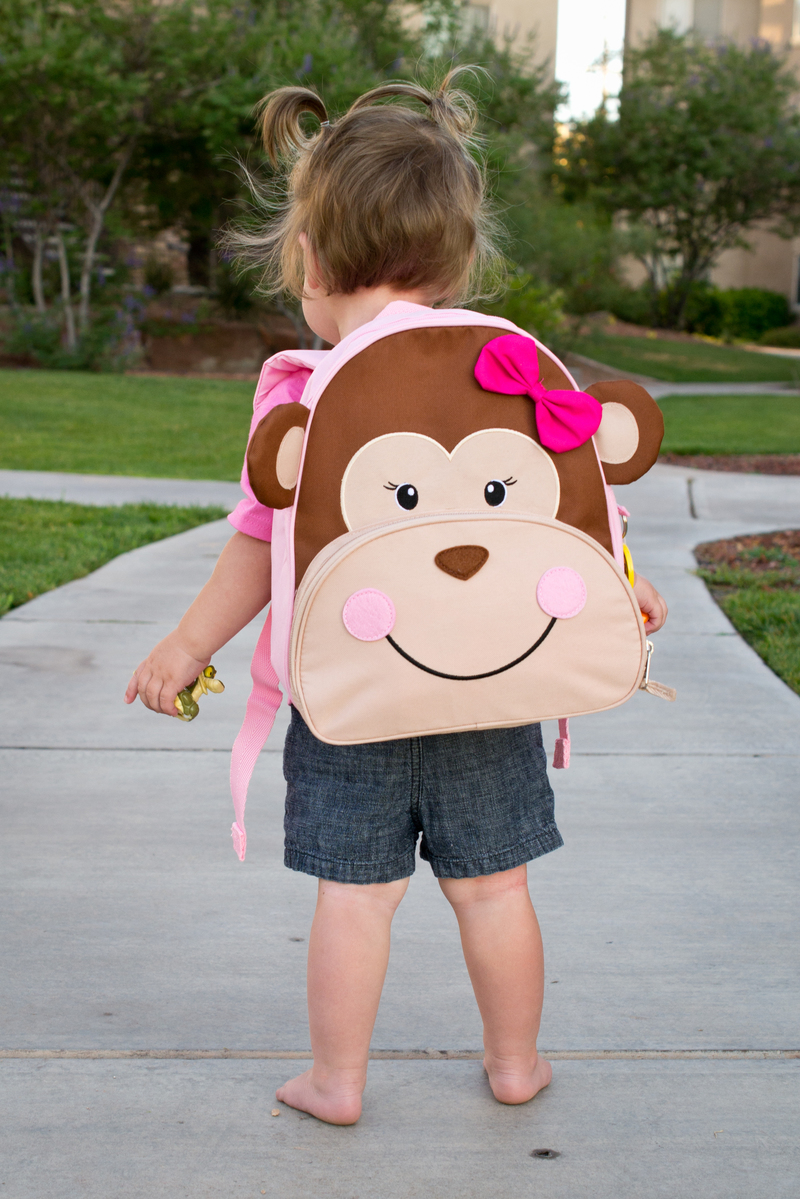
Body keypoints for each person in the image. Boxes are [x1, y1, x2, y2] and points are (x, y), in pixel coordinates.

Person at [125, 72, 668, 1126]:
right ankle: (515, 1063)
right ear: (457, 264)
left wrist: (188, 645)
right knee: (495, 888)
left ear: (310, 260)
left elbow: (257, 543)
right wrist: (628, 584)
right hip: (490, 693)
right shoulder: (505, 367)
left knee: (355, 899)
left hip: (351, 700)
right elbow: (567, 503)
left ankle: (336, 1081)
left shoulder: (306, 389)